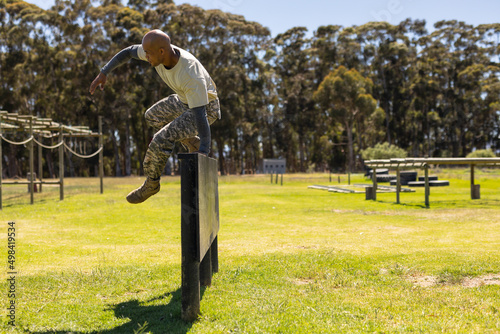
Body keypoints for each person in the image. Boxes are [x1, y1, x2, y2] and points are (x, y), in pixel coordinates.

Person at [89, 29, 220, 204]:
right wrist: (104, 72)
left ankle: (151, 184)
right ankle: (190, 141)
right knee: (152, 116)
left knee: (162, 138)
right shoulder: (157, 52)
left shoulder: (190, 74)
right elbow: (128, 52)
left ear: (161, 52)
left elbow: (200, 114)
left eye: (149, 54)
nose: (146, 57)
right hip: (184, 101)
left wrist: (203, 150)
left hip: (205, 108)